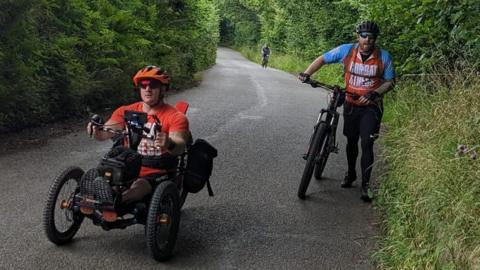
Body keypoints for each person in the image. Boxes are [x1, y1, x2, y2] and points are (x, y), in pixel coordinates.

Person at [298, 21, 395, 202]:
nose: (367, 40)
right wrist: (307, 73)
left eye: (371, 37)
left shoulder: (383, 57)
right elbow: (323, 59)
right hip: (351, 103)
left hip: (370, 107)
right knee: (351, 141)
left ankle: (365, 186)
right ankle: (351, 174)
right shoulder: (347, 51)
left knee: (366, 143)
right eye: (364, 36)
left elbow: (390, 81)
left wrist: (375, 93)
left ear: (375, 39)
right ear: (358, 36)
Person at [86, 65, 190, 209]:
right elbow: (106, 133)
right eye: (143, 85)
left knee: (139, 185)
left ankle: (116, 200)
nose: (147, 89)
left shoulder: (176, 117)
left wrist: (169, 143)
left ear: (163, 89)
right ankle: (94, 193)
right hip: (127, 166)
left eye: (153, 85)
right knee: (108, 171)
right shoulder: (125, 111)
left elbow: (179, 145)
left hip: (157, 170)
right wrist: (97, 130)